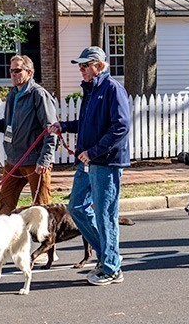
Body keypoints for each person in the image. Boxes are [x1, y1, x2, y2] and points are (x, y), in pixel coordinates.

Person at [49, 46, 130, 286]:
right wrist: (63, 126)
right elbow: (86, 124)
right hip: (88, 162)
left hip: (105, 162)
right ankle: (107, 254)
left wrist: (93, 152)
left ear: (99, 66)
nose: (81, 69)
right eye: (80, 65)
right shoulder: (92, 91)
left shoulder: (113, 89)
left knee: (105, 214)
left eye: (85, 65)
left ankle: (112, 268)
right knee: (76, 207)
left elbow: (121, 127)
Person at [0, 55, 57, 215]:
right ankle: (7, 238)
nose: (13, 74)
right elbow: (12, 126)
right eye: (11, 71)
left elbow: (51, 130)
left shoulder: (39, 94)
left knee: (41, 210)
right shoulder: (12, 95)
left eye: (17, 70)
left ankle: (48, 240)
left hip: (35, 162)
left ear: (29, 72)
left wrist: (44, 159)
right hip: (14, 160)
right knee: (5, 203)